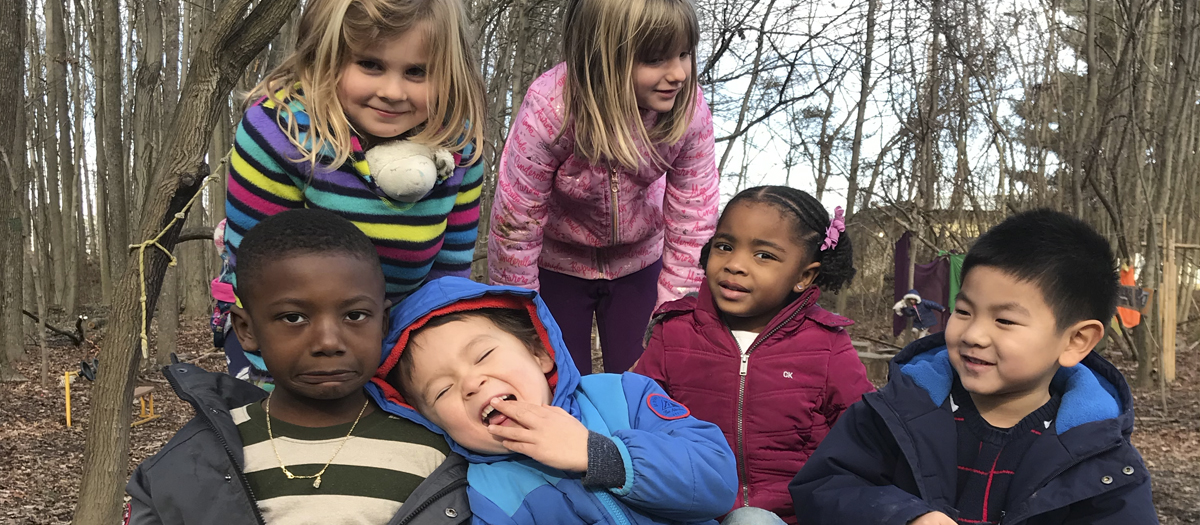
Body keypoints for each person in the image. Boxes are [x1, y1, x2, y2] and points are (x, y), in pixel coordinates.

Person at [790, 210, 1158, 525]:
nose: (974, 334)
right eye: (964, 311)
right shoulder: (897, 411)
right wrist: (901, 515)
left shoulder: (1102, 460)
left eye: (1005, 321)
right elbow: (824, 487)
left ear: (1075, 341)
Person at [126, 209, 469, 525]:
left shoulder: (440, 450)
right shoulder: (192, 461)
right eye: (294, 317)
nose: (328, 342)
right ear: (247, 330)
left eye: (355, 315)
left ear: (383, 323)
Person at [214, 0, 487, 386]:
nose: (392, 91)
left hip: (398, 332)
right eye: (370, 65)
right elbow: (257, 275)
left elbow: (447, 282)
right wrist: (269, 385)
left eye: (417, 72)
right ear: (326, 58)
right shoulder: (279, 131)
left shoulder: (458, 147)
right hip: (286, 332)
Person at [365, 276, 738, 525]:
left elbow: (717, 483)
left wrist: (599, 455)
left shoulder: (623, 395)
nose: (471, 383)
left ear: (539, 353)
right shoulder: (488, 494)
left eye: (482, 356)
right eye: (442, 391)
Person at [487, 0, 719, 375]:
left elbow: (694, 216)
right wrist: (520, 313)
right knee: (556, 372)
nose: (678, 73)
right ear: (602, 58)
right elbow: (517, 221)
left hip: (640, 260)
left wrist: (676, 310)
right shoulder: (551, 111)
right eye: (656, 59)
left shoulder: (688, 111)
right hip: (557, 261)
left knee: (647, 372)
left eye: (684, 54)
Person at [633, 186, 874, 525]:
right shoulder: (675, 331)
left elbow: (867, 436)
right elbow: (636, 417)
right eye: (725, 246)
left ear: (804, 276)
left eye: (764, 255)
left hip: (790, 515)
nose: (735, 264)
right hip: (687, 508)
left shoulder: (827, 345)